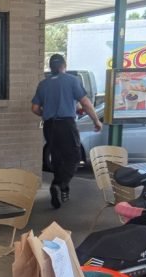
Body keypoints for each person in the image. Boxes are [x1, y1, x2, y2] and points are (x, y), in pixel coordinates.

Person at [32, 54, 102, 208]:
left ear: (51, 67)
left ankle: (63, 190)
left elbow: (35, 108)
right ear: (64, 65)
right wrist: (96, 120)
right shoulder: (72, 80)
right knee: (74, 157)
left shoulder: (43, 84)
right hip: (66, 125)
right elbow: (85, 102)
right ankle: (59, 184)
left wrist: (47, 114)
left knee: (57, 159)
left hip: (49, 126)